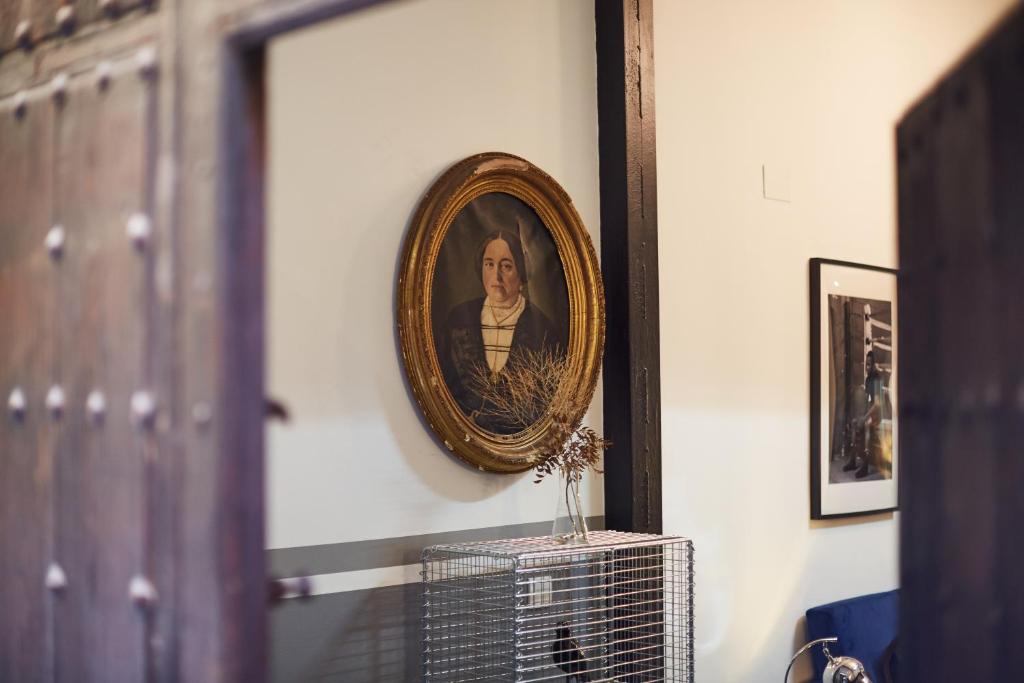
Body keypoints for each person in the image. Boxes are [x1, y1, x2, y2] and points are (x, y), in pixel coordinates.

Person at [437, 229, 564, 434]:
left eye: (506, 266)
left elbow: (547, 403)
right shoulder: (457, 320)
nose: (496, 276)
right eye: (489, 264)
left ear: (521, 273)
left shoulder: (543, 330)